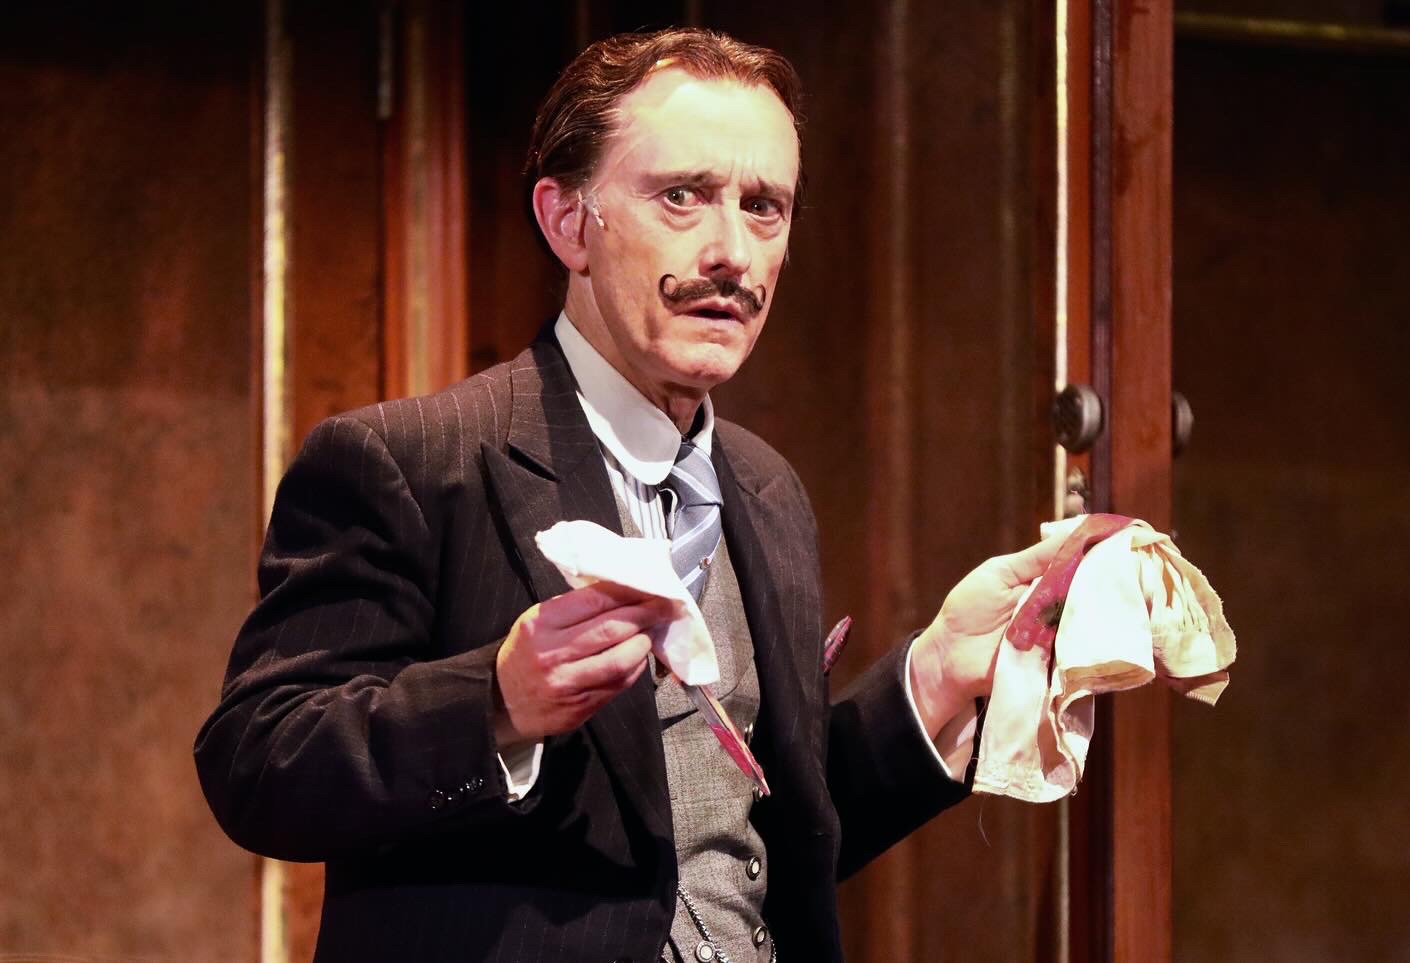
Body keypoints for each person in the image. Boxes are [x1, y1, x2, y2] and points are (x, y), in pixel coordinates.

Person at [195, 27, 1060, 963]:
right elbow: (256, 760)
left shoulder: (767, 488)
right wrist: (495, 702)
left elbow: (745, 832)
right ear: (569, 222)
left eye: (764, 207)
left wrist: (935, 678)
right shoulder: (409, 461)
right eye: (682, 196)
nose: (731, 252)